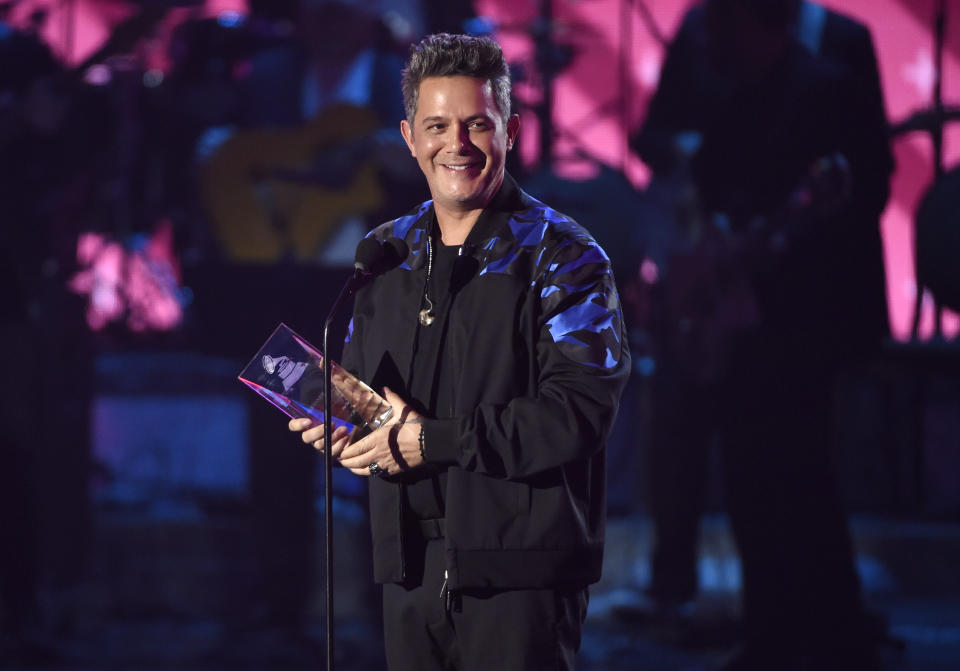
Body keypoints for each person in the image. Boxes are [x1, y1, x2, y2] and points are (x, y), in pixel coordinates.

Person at [289, 32, 630, 670]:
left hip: (520, 576)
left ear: (512, 130)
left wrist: (436, 441)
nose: (458, 144)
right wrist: (345, 428)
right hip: (406, 566)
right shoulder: (386, 254)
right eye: (438, 125)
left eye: (478, 124)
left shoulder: (563, 257)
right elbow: (376, 401)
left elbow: (579, 412)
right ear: (408, 135)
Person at [625, 0, 893, 669]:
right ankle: (778, 629)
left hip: (804, 318)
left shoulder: (829, 74)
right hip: (746, 314)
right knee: (756, 475)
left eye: (721, 26)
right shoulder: (744, 81)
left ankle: (821, 632)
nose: (710, 36)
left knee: (796, 475)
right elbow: (682, 152)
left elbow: (865, 187)